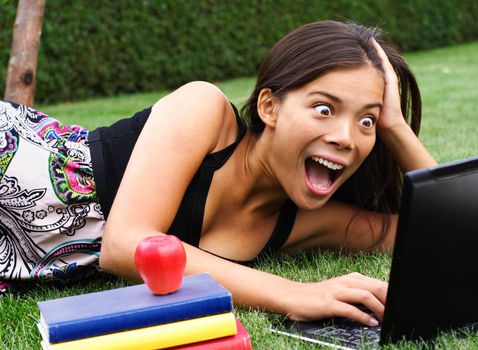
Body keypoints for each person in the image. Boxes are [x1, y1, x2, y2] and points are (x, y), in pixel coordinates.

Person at [0, 20, 436, 326]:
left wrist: (394, 127)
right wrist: (295, 292)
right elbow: (125, 245)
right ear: (269, 107)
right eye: (324, 109)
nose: (346, 136)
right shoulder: (204, 111)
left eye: (365, 121)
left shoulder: (305, 223)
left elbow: (448, 229)